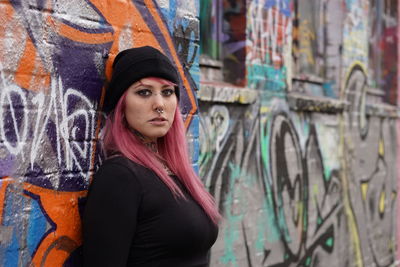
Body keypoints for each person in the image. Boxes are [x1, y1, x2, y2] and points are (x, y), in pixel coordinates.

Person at [82, 46, 220, 267]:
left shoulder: (176, 171)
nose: (159, 104)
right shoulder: (120, 177)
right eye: (144, 92)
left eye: (167, 92)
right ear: (121, 105)